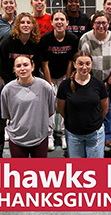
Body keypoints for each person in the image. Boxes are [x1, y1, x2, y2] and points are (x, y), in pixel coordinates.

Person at [78, 10, 111, 147]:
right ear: (93, 24)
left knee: (107, 108)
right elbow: (83, 60)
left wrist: (108, 81)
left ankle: (108, 136)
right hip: (90, 80)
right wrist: (91, 81)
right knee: (90, 108)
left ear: (108, 24)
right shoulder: (85, 39)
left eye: (104, 23)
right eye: (98, 23)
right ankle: (90, 134)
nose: (101, 26)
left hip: (109, 80)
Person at [0, 55, 55, 158]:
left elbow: (50, 111)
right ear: (14, 69)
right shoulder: (7, 90)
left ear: (32, 67)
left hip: (40, 138)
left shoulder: (45, 87)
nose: (22, 68)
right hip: (17, 140)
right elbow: (7, 114)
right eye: (18, 66)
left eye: (26, 65)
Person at [56, 51, 109, 158]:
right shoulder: (65, 85)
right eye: (80, 64)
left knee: (95, 171)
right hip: (73, 134)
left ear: (91, 64)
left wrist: (94, 122)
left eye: (87, 63)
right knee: (77, 170)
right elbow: (61, 109)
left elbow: (104, 109)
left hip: (95, 134)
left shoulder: (98, 84)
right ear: (74, 64)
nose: (84, 67)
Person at [39, 10, 79, 151]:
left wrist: (67, 82)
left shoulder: (73, 39)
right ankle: (49, 134)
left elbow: (70, 62)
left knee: (65, 103)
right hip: (49, 74)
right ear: (51, 22)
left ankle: (63, 133)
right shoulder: (45, 39)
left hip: (64, 75)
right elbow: (45, 64)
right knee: (49, 103)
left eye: (62, 19)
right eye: (56, 19)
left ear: (67, 22)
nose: (59, 22)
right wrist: (49, 84)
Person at [0, 12, 41, 85]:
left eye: (28, 23)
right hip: (9, 83)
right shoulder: (7, 43)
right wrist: (12, 84)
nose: (26, 25)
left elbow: (37, 68)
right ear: (17, 25)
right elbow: (1, 68)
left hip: (30, 83)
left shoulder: (36, 44)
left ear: (33, 26)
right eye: (22, 22)